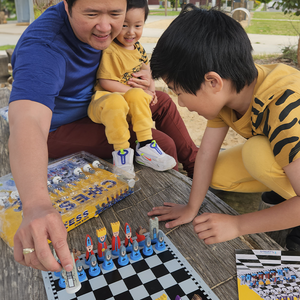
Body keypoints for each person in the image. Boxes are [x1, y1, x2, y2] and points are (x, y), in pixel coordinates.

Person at [8, 0, 198, 272]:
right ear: (67, 6)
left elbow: (135, 59)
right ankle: (177, 192)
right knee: (164, 143)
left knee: (164, 102)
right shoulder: (44, 47)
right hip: (62, 127)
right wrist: (36, 205)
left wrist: (146, 78)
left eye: (115, 14)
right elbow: (28, 120)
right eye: (92, 14)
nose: (105, 27)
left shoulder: (118, 32)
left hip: (103, 103)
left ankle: (197, 170)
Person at [148, 4, 300, 250]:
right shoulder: (229, 92)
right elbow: (206, 154)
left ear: (212, 81)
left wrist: (237, 225)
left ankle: (291, 210)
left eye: (179, 91)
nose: (181, 103)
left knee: (258, 154)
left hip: (289, 144)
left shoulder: (283, 107)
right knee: (216, 173)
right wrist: (191, 207)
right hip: (289, 154)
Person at [88, 0, 176, 176]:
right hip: (105, 103)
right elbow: (105, 82)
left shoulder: (138, 48)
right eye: (125, 25)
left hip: (128, 103)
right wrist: (136, 92)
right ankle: (121, 154)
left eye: (137, 25)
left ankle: (145, 145)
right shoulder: (111, 50)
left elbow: (146, 69)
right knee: (117, 100)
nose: (131, 32)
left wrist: (150, 88)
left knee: (137, 95)